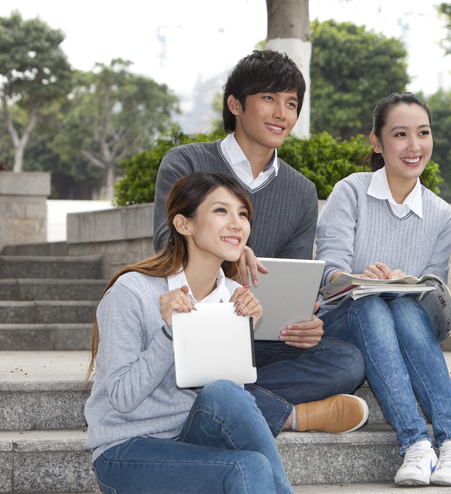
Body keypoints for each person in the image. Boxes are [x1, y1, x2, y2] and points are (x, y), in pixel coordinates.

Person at [86, 172, 370, 494]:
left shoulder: (227, 297)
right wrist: (170, 330)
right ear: (183, 223)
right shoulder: (132, 292)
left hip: (187, 436)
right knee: (246, 468)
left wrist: (245, 336)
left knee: (228, 391)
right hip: (126, 454)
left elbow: (224, 399)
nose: (237, 223)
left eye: (243, 214)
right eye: (221, 211)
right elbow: (120, 398)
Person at [152, 50, 367, 437]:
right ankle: (290, 416)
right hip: (196, 323)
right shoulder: (185, 164)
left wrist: (303, 323)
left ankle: (212, 401)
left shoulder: (301, 191)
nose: (281, 113)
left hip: (259, 335)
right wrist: (224, 251)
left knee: (346, 361)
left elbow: (294, 277)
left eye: (291, 103)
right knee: (188, 362)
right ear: (236, 104)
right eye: (269, 98)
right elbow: (164, 245)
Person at [315, 92, 451, 487]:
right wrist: (365, 279)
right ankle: (416, 442)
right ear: (376, 142)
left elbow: (435, 297)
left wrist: (407, 287)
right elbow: (327, 275)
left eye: (423, 133)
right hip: (343, 319)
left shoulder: (440, 214)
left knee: (401, 307)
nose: (414, 145)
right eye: (400, 134)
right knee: (372, 306)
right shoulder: (350, 192)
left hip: (409, 326)